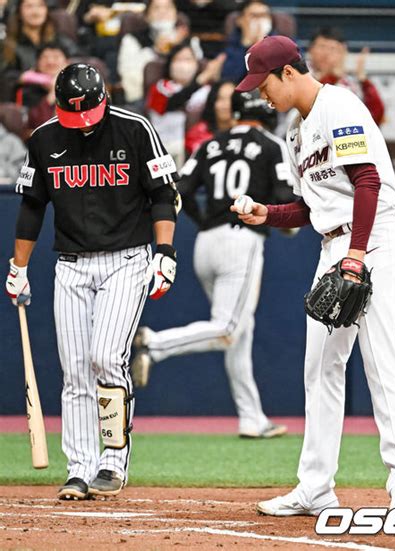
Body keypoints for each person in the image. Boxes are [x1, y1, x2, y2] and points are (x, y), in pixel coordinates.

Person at [232, 35, 395, 512]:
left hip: (373, 238)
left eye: (264, 83)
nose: (260, 93)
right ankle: (315, 487)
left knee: (379, 360)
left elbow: (367, 180)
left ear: (289, 73)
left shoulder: (339, 106)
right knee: (320, 369)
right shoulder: (297, 132)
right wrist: (265, 213)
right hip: (334, 243)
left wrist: (356, 254)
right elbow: (308, 207)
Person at [5, 63, 180, 500]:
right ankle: (80, 467)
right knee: (75, 370)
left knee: (106, 356)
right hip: (71, 263)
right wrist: (18, 266)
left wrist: (165, 254)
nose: (82, 123)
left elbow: (162, 194)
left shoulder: (134, 129)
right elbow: (31, 207)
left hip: (127, 259)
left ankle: (113, 460)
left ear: (105, 98)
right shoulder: (45, 138)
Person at [131, 89, 294, 438]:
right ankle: (153, 344)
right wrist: (287, 222)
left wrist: (203, 220)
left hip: (206, 243)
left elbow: (181, 189)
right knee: (227, 329)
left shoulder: (210, 144)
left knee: (240, 333)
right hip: (242, 240)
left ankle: (252, 418)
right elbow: (283, 194)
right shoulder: (271, 144)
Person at [146, 41, 225, 167]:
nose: (183, 65)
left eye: (188, 59)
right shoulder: (160, 88)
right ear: (170, 63)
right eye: (179, 59)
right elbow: (172, 103)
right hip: (166, 149)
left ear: (196, 64)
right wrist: (200, 80)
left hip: (200, 148)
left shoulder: (208, 90)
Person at [308, 27, 385, 126]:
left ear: (343, 54)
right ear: (311, 49)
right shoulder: (300, 72)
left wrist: (363, 81)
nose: (326, 53)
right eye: (322, 47)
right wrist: (332, 76)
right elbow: (312, 109)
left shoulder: (350, 83)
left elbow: (375, 118)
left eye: (333, 49)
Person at [117, 0, 190, 104]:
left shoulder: (186, 40)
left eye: (168, 7)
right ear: (147, 16)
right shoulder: (131, 40)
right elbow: (129, 77)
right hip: (144, 100)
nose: (163, 12)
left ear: (176, 14)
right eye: (156, 8)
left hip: (183, 99)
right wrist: (155, 50)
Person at [1, 0, 77, 73]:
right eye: (29, 6)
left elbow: (81, 59)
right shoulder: (8, 45)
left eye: (40, 5)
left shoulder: (59, 40)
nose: (35, 11)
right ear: (19, 12)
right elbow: (5, 75)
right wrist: (24, 77)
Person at [15, 42, 69, 130]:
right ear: (37, 63)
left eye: (56, 57)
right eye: (45, 57)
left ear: (67, 62)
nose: (50, 61)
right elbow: (36, 125)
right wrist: (52, 93)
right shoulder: (26, 91)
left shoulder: (76, 87)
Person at [221, 0, 273, 84]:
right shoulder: (231, 44)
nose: (259, 21)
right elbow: (230, 77)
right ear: (240, 20)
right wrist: (246, 44)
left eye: (264, 15)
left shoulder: (283, 43)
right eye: (254, 16)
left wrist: (261, 45)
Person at [185, 79, 235, 155]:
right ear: (212, 102)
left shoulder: (247, 132)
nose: (227, 105)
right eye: (221, 99)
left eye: (232, 99)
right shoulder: (197, 134)